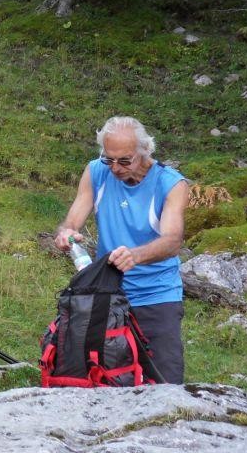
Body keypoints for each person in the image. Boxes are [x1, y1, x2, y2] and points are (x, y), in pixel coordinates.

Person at [55, 115, 189, 383]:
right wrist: (66, 233)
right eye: (109, 158)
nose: (115, 168)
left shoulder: (171, 184)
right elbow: (71, 220)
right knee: (103, 375)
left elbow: (173, 240)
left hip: (157, 296)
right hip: (108, 294)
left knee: (165, 382)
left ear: (144, 151)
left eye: (124, 160)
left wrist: (135, 255)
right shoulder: (96, 172)